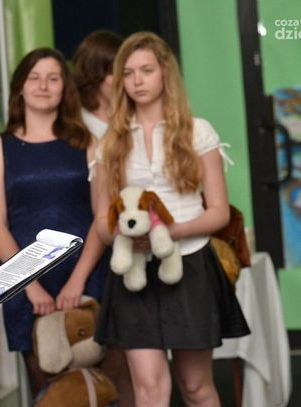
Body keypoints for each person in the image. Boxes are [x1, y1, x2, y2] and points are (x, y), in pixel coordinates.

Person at [93, 32, 250, 407]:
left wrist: (171, 231)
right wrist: (125, 237)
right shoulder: (110, 140)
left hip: (191, 264)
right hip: (133, 270)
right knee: (149, 389)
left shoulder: (197, 131)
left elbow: (219, 212)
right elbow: (101, 220)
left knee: (195, 386)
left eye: (147, 70)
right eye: (128, 72)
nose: (137, 81)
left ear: (165, 73)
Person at [0, 48, 110, 397]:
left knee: (97, 390)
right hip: (27, 286)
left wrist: (78, 281)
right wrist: (31, 287)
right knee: (49, 394)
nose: (43, 86)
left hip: (86, 277)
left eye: (53, 78)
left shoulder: (87, 143)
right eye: (34, 78)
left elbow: (102, 217)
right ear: (20, 87)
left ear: (65, 88)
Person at [73, 30, 135, 407]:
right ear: (95, 74)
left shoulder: (135, 118)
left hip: (136, 245)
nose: (127, 80)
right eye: (118, 71)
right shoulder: (76, 127)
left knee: (134, 359)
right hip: (96, 245)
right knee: (102, 361)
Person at [73, 29, 124, 140]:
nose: (122, 80)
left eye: (126, 72)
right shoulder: (74, 124)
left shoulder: (135, 118)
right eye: (113, 72)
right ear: (93, 74)